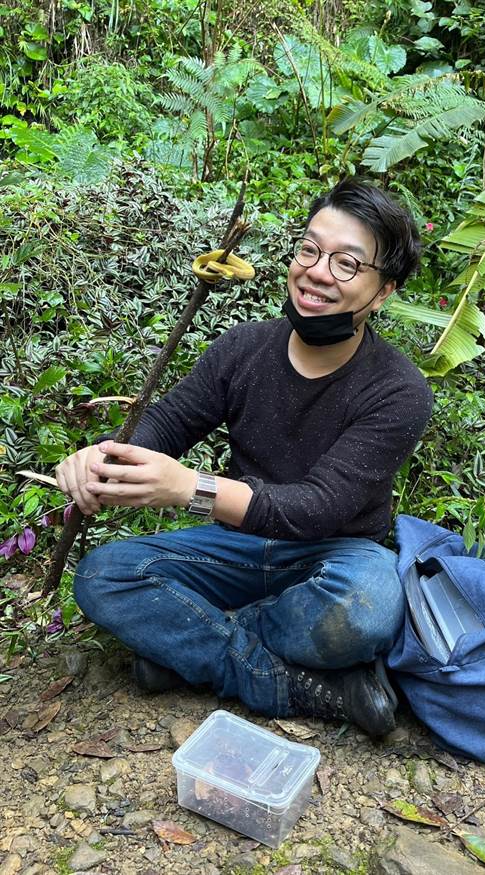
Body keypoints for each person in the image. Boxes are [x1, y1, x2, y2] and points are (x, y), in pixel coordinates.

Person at [55, 178, 433, 737]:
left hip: (335, 555)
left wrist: (191, 489)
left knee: (368, 608)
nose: (318, 272)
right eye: (310, 249)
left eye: (348, 264)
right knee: (105, 576)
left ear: (383, 292)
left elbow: (317, 509)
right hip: (236, 546)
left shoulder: (398, 389)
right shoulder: (244, 347)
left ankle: (191, 645)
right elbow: (167, 424)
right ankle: (282, 677)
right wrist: (99, 458)